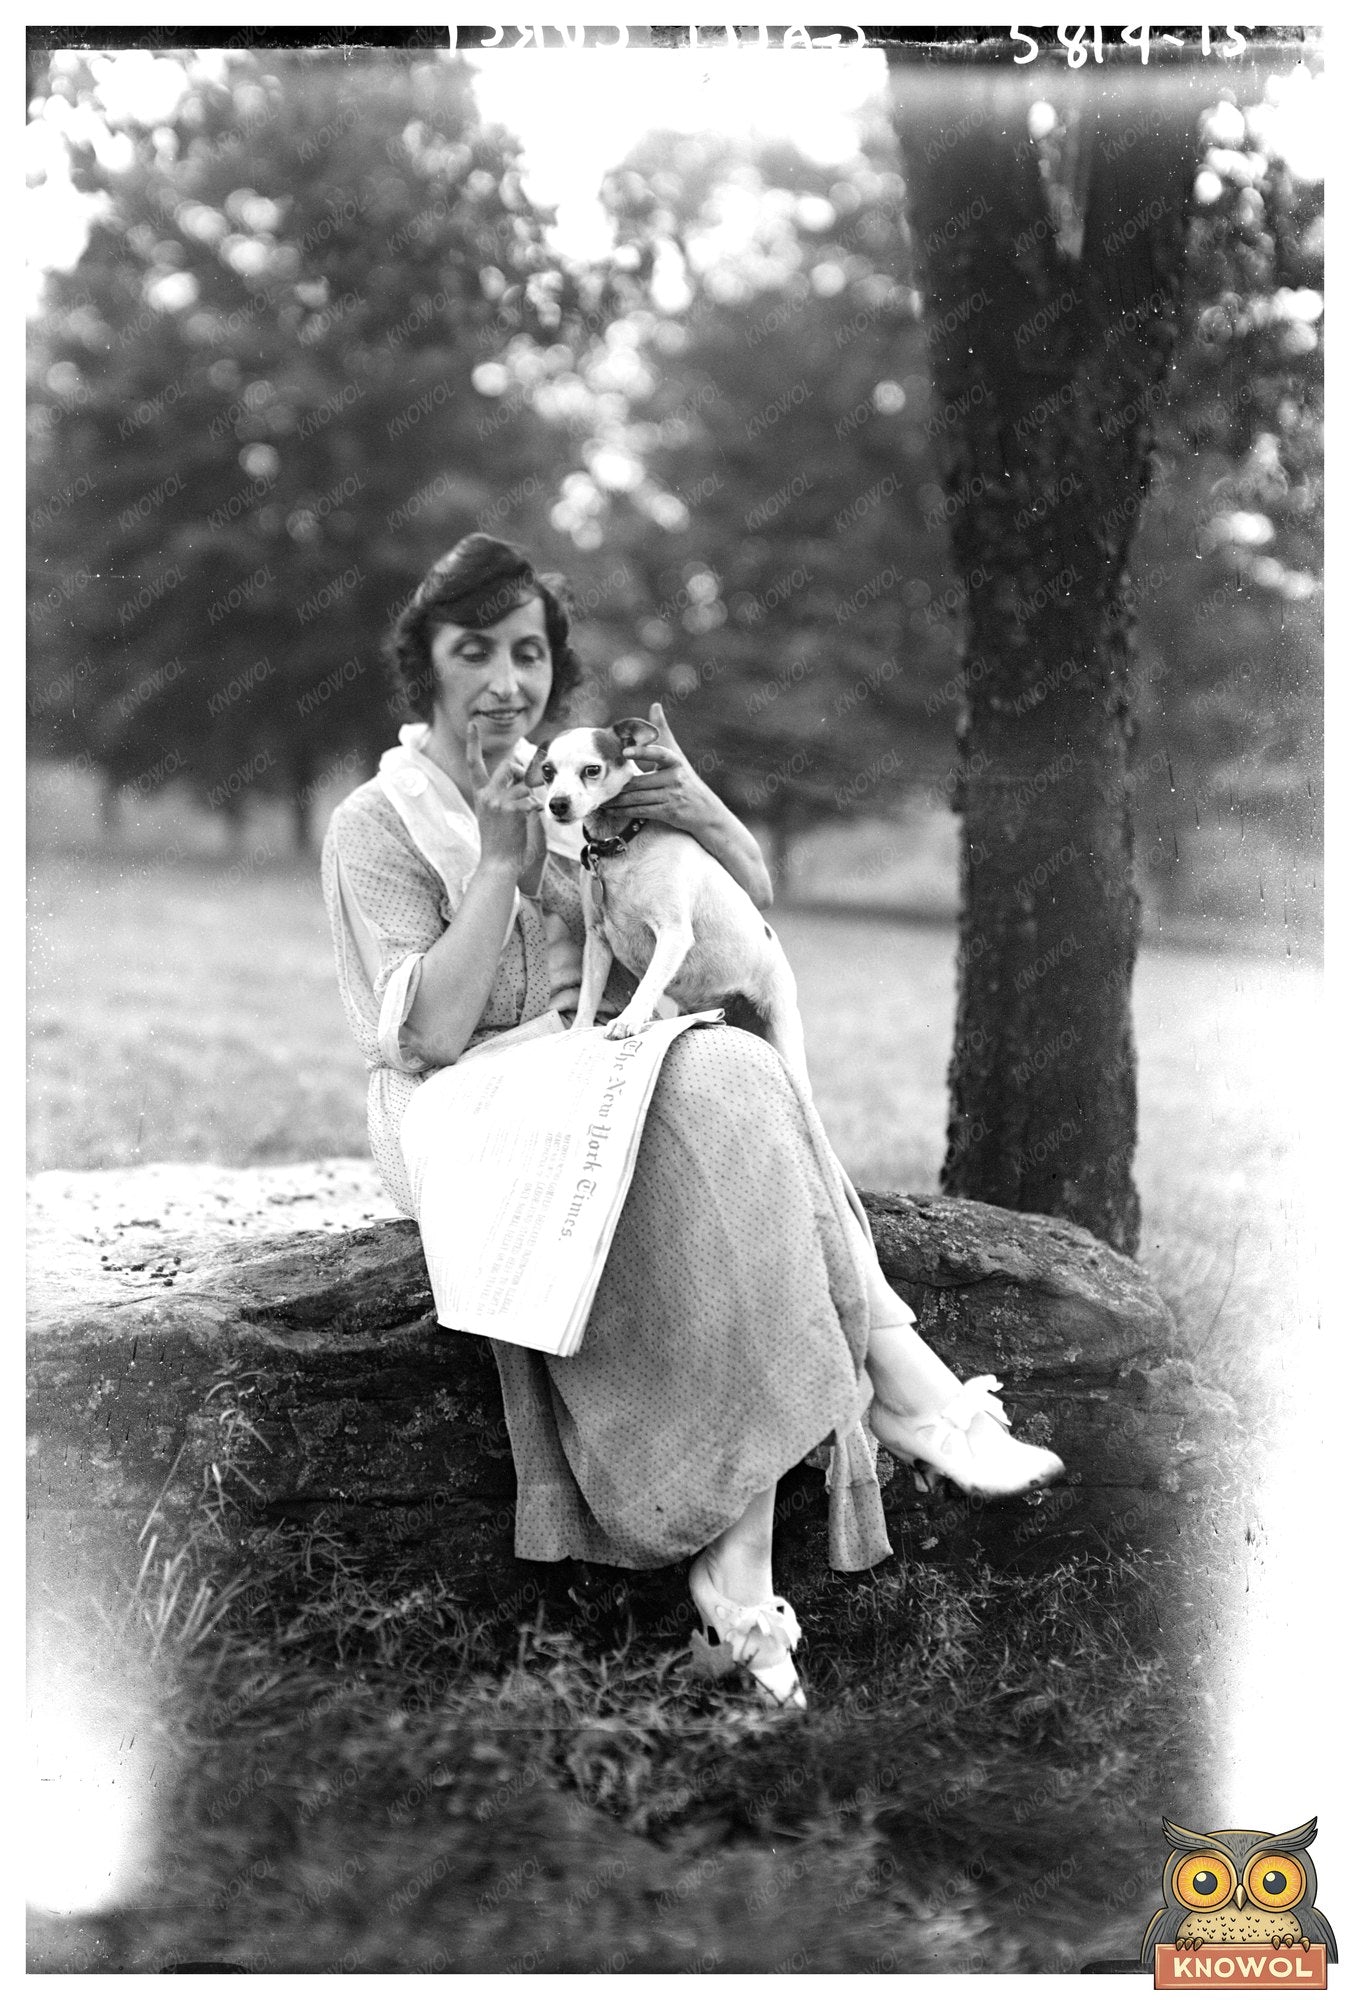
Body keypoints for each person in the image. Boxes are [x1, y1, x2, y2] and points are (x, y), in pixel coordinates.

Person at [321, 534, 1063, 1712]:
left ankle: (745, 1580)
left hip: (589, 1067)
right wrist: (501, 866)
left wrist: (696, 803)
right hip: (457, 1107)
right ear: (427, 666)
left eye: (530, 653)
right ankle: (901, 1389)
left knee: (731, 1076)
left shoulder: (578, 782)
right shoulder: (380, 821)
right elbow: (429, 1034)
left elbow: (739, 908)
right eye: (476, 652)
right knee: (714, 1084)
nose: (508, 682)